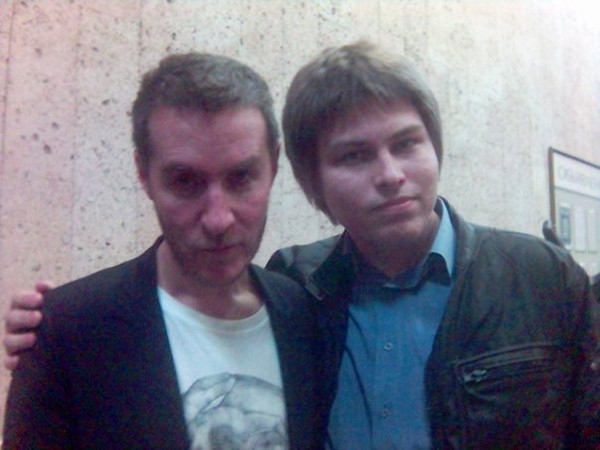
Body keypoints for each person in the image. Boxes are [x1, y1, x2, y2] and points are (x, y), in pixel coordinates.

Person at [5, 42, 600, 448]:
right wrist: (51, 330)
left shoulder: (544, 278)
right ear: (312, 182)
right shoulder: (303, 289)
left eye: (406, 144)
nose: (390, 175)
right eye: (354, 155)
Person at [2, 52, 326, 449]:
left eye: (241, 177)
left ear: (273, 165)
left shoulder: (303, 313)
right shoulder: (68, 331)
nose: (218, 219)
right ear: (144, 174)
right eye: (185, 181)